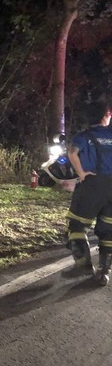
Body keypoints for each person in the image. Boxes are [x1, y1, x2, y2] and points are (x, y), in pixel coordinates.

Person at [63, 93, 112, 285]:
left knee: (76, 224)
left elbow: (72, 152)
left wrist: (81, 173)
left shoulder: (84, 136)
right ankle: (103, 273)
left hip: (92, 185)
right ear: (104, 116)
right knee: (108, 231)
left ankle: (83, 264)